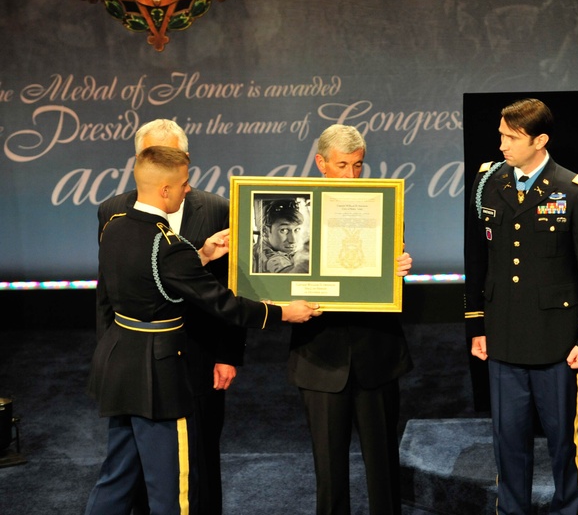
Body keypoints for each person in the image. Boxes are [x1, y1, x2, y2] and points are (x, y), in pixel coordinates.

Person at [85, 146, 320, 515]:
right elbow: (222, 302)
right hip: (158, 376)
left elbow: (148, 274)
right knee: (172, 491)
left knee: (116, 478)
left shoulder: (114, 226)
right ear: (164, 190)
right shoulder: (168, 245)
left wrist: (203, 255)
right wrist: (281, 313)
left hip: (118, 365)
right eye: (182, 183)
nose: (188, 190)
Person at [465, 98, 578, 515]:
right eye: (500, 135)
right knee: (507, 441)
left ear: (540, 140)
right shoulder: (489, 183)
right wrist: (476, 324)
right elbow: (479, 259)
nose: (502, 144)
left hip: (557, 341)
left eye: (512, 137)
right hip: (504, 335)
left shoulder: (573, 191)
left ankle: (568, 509)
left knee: (564, 441)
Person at [97, 118, 245, 515]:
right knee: (167, 483)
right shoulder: (112, 212)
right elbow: (108, 291)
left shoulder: (215, 209)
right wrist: (282, 311)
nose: (187, 187)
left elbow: (227, 285)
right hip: (152, 366)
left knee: (196, 462)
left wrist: (227, 353)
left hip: (197, 357)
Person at [288, 123, 414, 515]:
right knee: (329, 472)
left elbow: (385, 272)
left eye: (358, 165)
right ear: (320, 162)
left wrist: (399, 266)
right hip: (320, 357)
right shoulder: (296, 209)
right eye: (342, 165)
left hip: (376, 353)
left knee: (383, 469)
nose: (350, 175)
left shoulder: (381, 204)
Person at [254, 197, 310, 274]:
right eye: (283, 230)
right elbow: (289, 274)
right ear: (265, 231)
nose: (292, 240)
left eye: (296, 230)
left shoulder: (258, 247)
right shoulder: (271, 257)